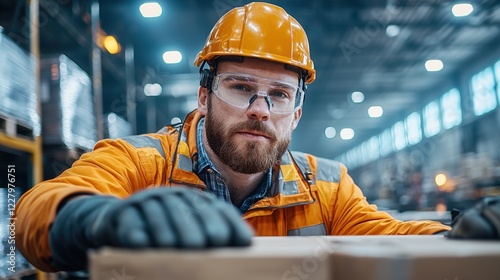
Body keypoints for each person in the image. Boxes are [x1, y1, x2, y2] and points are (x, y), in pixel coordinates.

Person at [15, 2, 457, 273]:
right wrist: (95, 220)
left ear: (296, 114)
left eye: (279, 96)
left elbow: (393, 236)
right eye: (241, 87)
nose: (260, 109)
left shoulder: (327, 188)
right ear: (204, 96)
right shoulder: (144, 163)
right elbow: (31, 216)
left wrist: (458, 237)